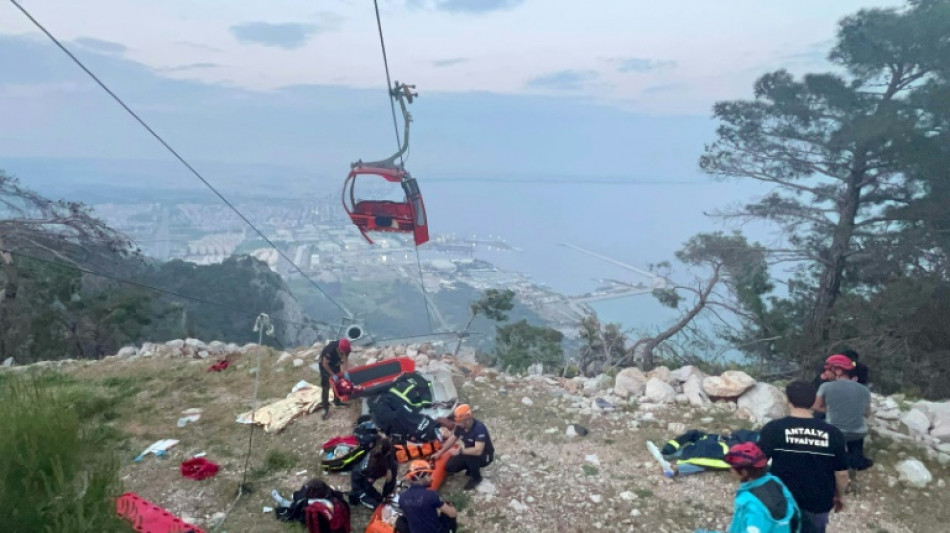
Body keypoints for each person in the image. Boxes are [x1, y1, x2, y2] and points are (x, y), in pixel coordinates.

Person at [759, 381, 849, 533]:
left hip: (782, 501)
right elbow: (841, 473)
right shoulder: (833, 433)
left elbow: (757, 464)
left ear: (787, 399)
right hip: (818, 502)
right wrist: (840, 496)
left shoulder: (773, 429)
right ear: (814, 401)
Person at [695, 442, 801, 533]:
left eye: (732, 468)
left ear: (744, 472)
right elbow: (796, 514)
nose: (730, 470)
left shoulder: (751, 503)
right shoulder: (774, 481)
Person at [813, 354, 873, 471]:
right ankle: (856, 461)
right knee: (856, 432)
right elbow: (867, 414)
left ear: (838, 371)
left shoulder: (826, 386)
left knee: (819, 420)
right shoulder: (864, 389)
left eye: (828, 369)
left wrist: (830, 410)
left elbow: (816, 407)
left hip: (835, 433)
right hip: (858, 433)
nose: (826, 372)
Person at [431, 404, 494, 490]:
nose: (457, 423)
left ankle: (476, 478)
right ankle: (470, 467)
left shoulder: (479, 429)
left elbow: (478, 450)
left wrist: (460, 451)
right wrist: (440, 452)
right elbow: (453, 438)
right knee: (450, 467)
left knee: (470, 455)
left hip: (484, 456)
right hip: (467, 452)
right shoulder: (460, 427)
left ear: (467, 420)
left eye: (459, 421)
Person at [395, 460, 458, 533]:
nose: (431, 478)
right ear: (419, 477)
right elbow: (452, 514)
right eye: (428, 475)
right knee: (447, 509)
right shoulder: (431, 495)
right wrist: (452, 508)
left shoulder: (402, 498)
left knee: (402, 520)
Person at [349, 421, 398, 510]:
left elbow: (390, 456)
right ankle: (378, 505)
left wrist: (389, 469)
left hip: (374, 470)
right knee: (369, 498)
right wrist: (379, 500)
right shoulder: (370, 468)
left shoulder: (384, 448)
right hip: (359, 479)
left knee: (394, 467)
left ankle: (387, 496)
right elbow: (366, 487)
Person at [320, 338, 352, 420]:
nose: (345, 353)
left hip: (335, 362)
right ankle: (325, 408)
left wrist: (345, 372)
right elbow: (325, 364)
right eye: (343, 352)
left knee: (338, 382)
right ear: (340, 349)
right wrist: (333, 375)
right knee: (326, 386)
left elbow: (345, 359)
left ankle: (337, 402)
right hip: (325, 365)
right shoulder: (330, 350)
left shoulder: (346, 348)